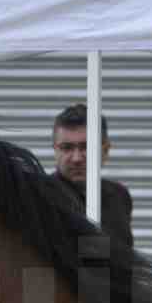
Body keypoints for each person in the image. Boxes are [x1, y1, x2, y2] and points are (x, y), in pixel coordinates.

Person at [50, 103, 134, 247]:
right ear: (55, 151)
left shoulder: (119, 195)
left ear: (105, 150)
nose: (76, 158)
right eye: (67, 148)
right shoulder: (40, 196)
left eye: (86, 147)